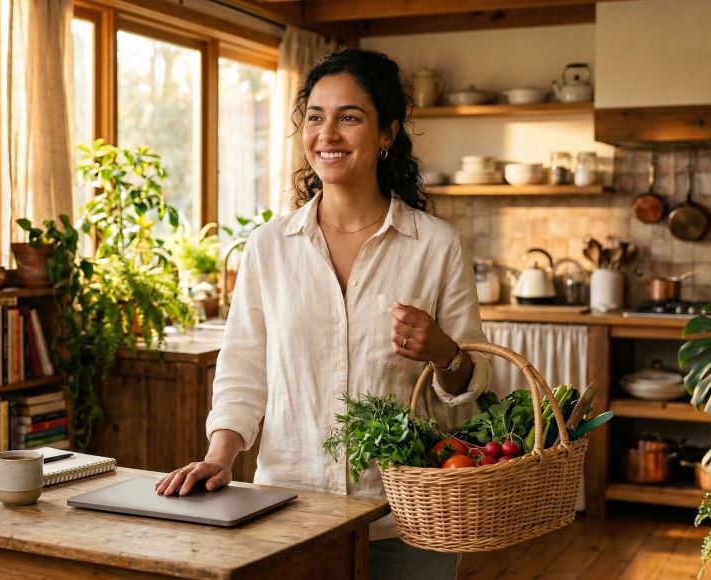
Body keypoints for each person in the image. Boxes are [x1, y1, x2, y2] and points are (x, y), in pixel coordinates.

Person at [157, 47, 492, 580]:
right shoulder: (270, 246)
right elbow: (244, 369)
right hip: (286, 513)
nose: (327, 134)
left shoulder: (435, 246)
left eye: (349, 117)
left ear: (387, 135)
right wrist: (220, 456)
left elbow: (472, 384)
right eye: (315, 117)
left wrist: (445, 352)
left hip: (403, 518)